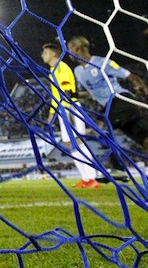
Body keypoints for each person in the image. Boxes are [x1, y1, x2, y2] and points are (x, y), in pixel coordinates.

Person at [67, 36, 148, 181]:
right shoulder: (78, 71)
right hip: (112, 108)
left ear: (77, 48)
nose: (68, 52)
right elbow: (90, 93)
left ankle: (118, 169)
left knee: (100, 126)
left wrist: (140, 84)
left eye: (69, 48)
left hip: (121, 99)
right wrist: (74, 94)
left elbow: (129, 75)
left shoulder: (102, 63)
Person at [41, 43, 100, 189]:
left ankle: (92, 177)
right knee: (69, 144)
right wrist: (52, 113)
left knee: (78, 141)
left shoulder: (62, 68)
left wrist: (67, 113)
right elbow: (55, 95)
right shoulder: (52, 70)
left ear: (53, 54)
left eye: (45, 53)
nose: (42, 55)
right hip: (62, 109)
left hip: (70, 107)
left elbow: (66, 93)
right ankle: (85, 178)